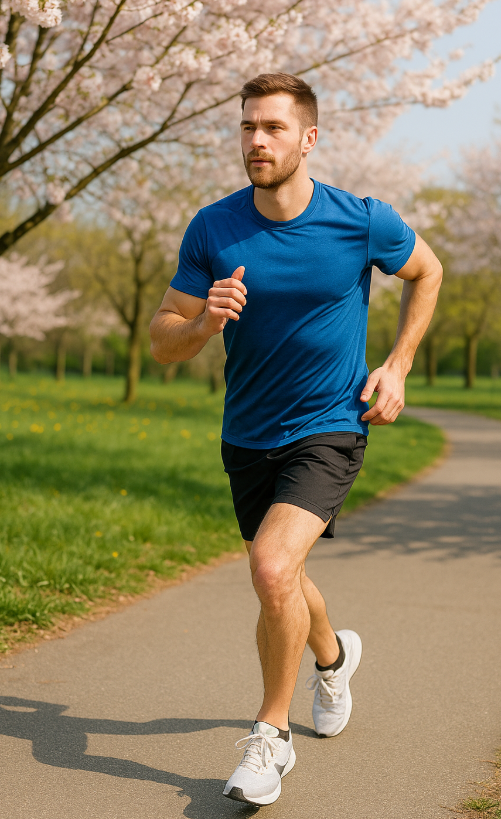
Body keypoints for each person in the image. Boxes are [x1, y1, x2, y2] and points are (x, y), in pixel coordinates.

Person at [149, 72, 442, 807]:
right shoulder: (212, 228)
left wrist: (398, 364)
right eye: (247, 126)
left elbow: (426, 269)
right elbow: (162, 340)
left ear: (308, 138)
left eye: (273, 127)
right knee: (280, 570)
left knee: (274, 567)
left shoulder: (359, 220)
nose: (256, 140)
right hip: (246, 432)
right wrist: (202, 323)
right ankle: (334, 657)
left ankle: (269, 739)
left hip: (330, 425)